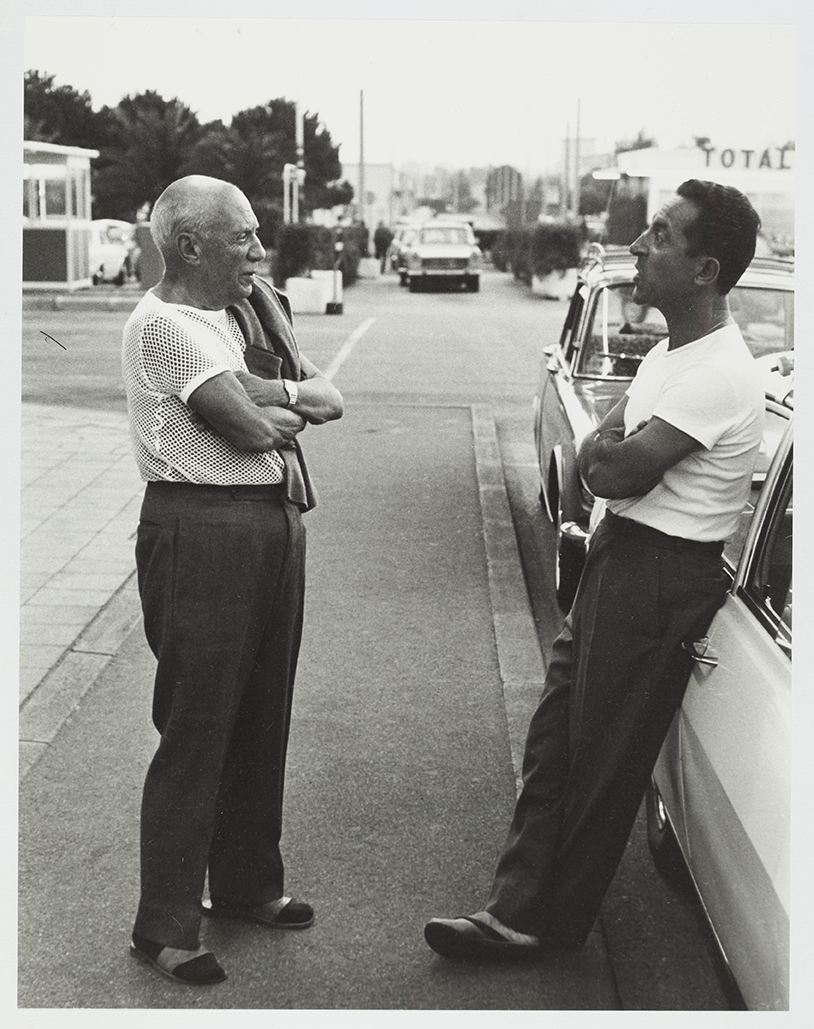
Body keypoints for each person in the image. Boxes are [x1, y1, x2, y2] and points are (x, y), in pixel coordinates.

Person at [424, 179, 765, 960]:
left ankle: (545, 924)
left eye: (661, 236)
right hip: (622, 555)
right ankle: (512, 906)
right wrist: (602, 453)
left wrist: (604, 454)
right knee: (555, 737)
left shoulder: (718, 373)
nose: (639, 248)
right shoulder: (671, 356)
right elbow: (594, 461)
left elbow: (612, 471)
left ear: (706, 269)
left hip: (659, 571)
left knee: (600, 756)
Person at [121, 175, 343, 985]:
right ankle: (165, 925)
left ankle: (247, 884)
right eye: (243, 236)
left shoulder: (246, 312)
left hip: (270, 522)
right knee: (198, 726)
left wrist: (274, 398)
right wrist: (282, 402)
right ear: (189, 245)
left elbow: (331, 400)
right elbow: (254, 430)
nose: (258, 249)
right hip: (201, 527)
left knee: (262, 712)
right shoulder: (167, 327)